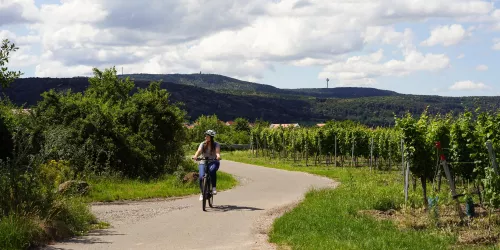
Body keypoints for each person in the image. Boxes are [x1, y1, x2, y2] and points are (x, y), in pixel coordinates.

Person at [192, 129, 221, 201]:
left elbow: (217, 152)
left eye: (207, 136)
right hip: (203, 161)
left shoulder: (216, 144)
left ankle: (213, 187)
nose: (206, 137)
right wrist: (195, 156)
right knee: (201, 177)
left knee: (212, 171)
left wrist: (218, 156)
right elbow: (198, 151)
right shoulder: (202, 144)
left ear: (211, 137)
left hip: (213, 161)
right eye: (206, 136)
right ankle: (202, 193)